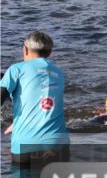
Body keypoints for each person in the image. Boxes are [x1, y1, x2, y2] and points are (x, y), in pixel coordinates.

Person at [0, 32, 69, 164]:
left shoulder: (16, 69)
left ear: (25, 49)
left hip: (26, 145)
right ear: (49, 52)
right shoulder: (58, 73)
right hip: (59, 144)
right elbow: (43, 103)